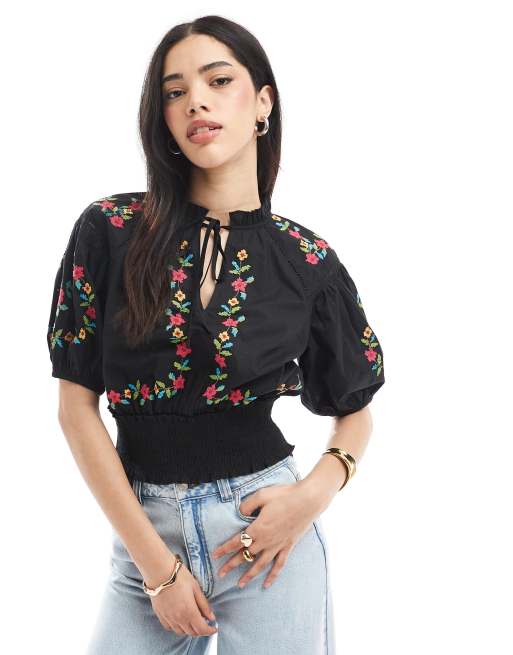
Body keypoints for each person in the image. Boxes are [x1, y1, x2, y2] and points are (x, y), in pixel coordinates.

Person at [46, 15, 385, 655]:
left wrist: (311, 496)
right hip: (145, 540)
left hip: (268, 540)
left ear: (262, 102)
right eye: (174, 91)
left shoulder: (307, 260)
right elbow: (75, 411)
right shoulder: (111, 230)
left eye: (218, 80)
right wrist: (158, 570)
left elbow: (356, 409)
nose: (195, 101)